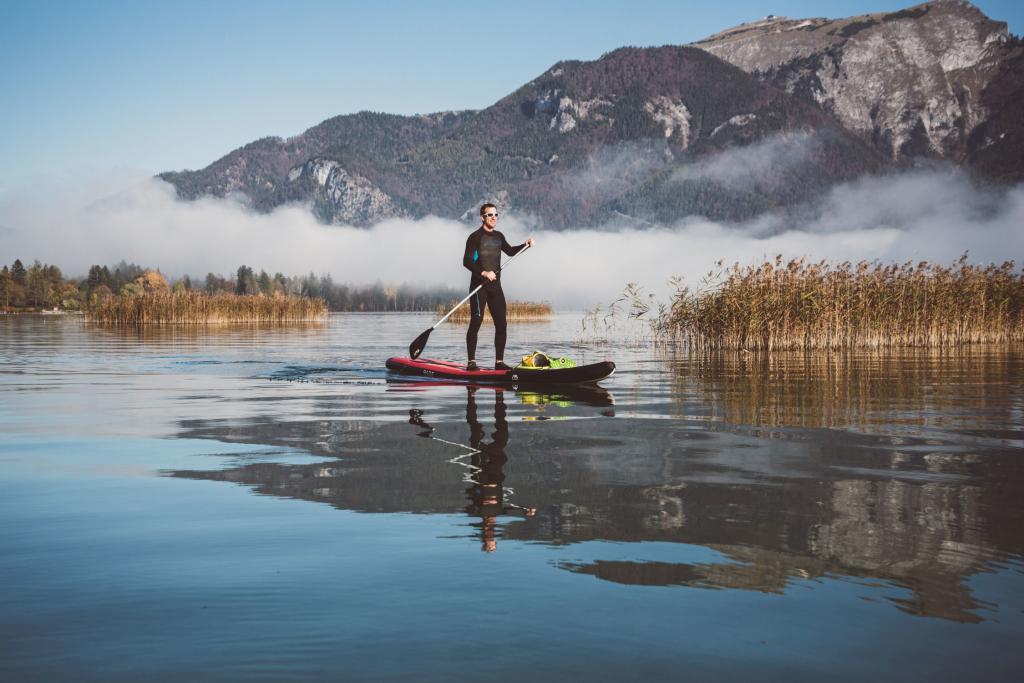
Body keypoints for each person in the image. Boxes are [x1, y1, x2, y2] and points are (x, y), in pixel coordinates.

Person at [462, 203, 535, 370]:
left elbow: (510, 251)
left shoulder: (499, 237)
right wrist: (484, 273)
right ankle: (471, 362)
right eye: (490, 215)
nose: (493, 217)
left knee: (502, 324)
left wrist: (525, 245)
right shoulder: (475, 237)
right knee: (476, 321)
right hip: (479, 287)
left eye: (496, 215)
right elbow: (467, 261)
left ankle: (499, 362)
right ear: (482, 217)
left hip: (495, 288)